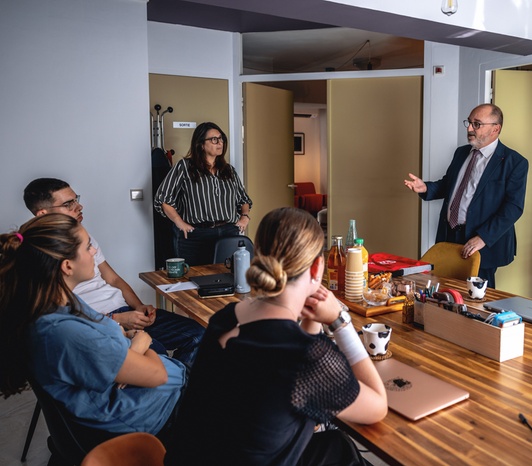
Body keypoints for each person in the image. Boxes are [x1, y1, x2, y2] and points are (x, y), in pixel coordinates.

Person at [165, 207, 387, 466]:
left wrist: (312, 320)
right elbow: (378, 407)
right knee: (342, 449)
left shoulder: (226, 318)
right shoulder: (307, 359)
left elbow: (274, 375)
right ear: (317, 268)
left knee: (335, 444)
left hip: (198, 457)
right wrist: (340, 320)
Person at [0, 213, 186, 439]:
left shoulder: (58, 301)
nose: (94, 252)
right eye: (88, 247)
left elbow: (103, 338)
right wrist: (141, 341)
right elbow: (157, 375)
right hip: (140, 416)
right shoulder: (63, 330)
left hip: (138, 397)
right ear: (67, 266)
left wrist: (129, 342)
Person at [23, 178, 205, 367]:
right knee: (154, 355)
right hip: (96, 324)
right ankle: (173, 386)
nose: (79, 206)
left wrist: (138, 307)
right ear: (42, 214)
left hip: (123, 311)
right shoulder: (39, 254)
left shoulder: (84, 236)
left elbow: (113, 279)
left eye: (76, 199)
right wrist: (115, 320)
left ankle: (180, 390)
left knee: (197, 333)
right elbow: (54, 316)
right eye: (69, 204)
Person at [404, 103, 529, 288]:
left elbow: (513, 208)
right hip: (450, 234)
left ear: (496, 128)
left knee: (477, 300)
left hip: (481, 242)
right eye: (469, 122)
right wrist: (426, 188)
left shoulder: (514, 162)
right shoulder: (461, 152)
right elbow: (450, 185)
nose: (470, 128)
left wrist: (483, 238)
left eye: (477, 124)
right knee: (444, 291)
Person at [154, 122, 253, 266]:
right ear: (201, 144)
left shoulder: (228, 170)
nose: (219, 143)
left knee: (228, 277)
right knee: (195, 280)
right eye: (214, 139)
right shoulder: (184, 167)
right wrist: (179, 222)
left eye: (221, 138)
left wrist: (244, 216)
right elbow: (163, 199)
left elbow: (243, 199)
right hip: (196, 235)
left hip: (227, 232)